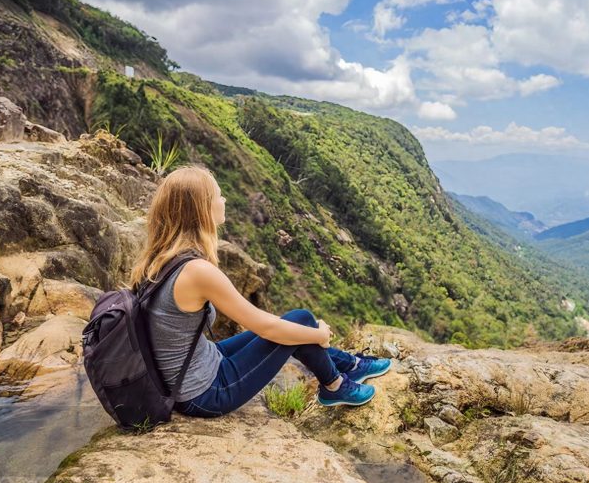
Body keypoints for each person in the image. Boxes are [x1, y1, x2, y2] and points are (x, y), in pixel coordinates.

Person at [128, 165, 392, 418]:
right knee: (298, 321)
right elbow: (267, 329)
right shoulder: (197, 271)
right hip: (203, 394)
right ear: (202, 209)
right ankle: (335, 385)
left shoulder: (159, 258)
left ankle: (347, 366)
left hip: (194, 368)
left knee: (292, 323)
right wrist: (319, 334)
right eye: (219, 195)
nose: (225, 199)